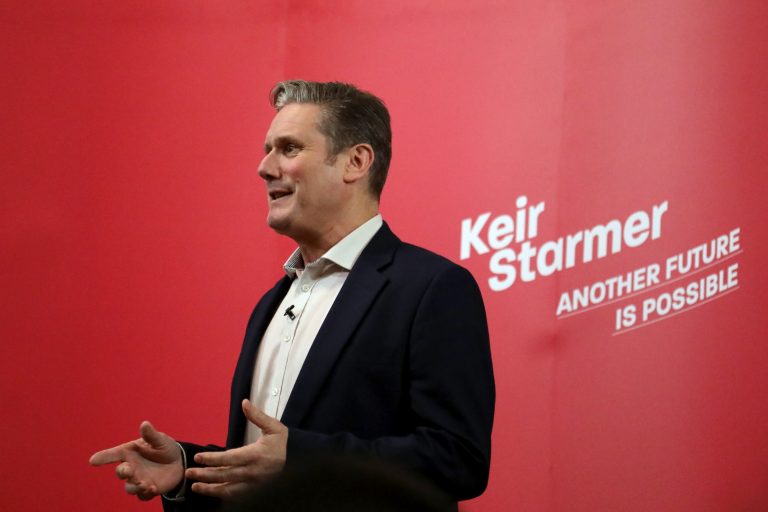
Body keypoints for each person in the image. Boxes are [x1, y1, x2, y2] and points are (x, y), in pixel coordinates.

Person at [90, 80, 495, 511]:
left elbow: (458, 458)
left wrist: (298, 457)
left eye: (289, 149)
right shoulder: (272, 303)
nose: (264, 167)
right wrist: (187, 470)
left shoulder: (431, 288)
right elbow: (263, 468)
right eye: (267, 149)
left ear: (355, 161)